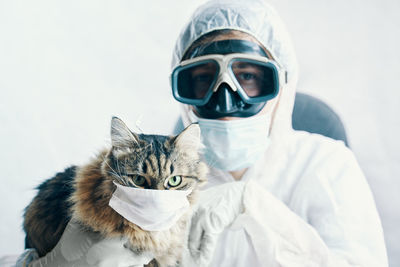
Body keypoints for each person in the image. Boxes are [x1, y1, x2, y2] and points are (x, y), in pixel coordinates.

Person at [16, 0, 388, 266]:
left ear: (282, 83)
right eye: (203, 79)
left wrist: (257, 208)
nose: (225, 100)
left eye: (247, 77)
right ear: (184, 91)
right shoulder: (156, 182)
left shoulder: (326, 164)